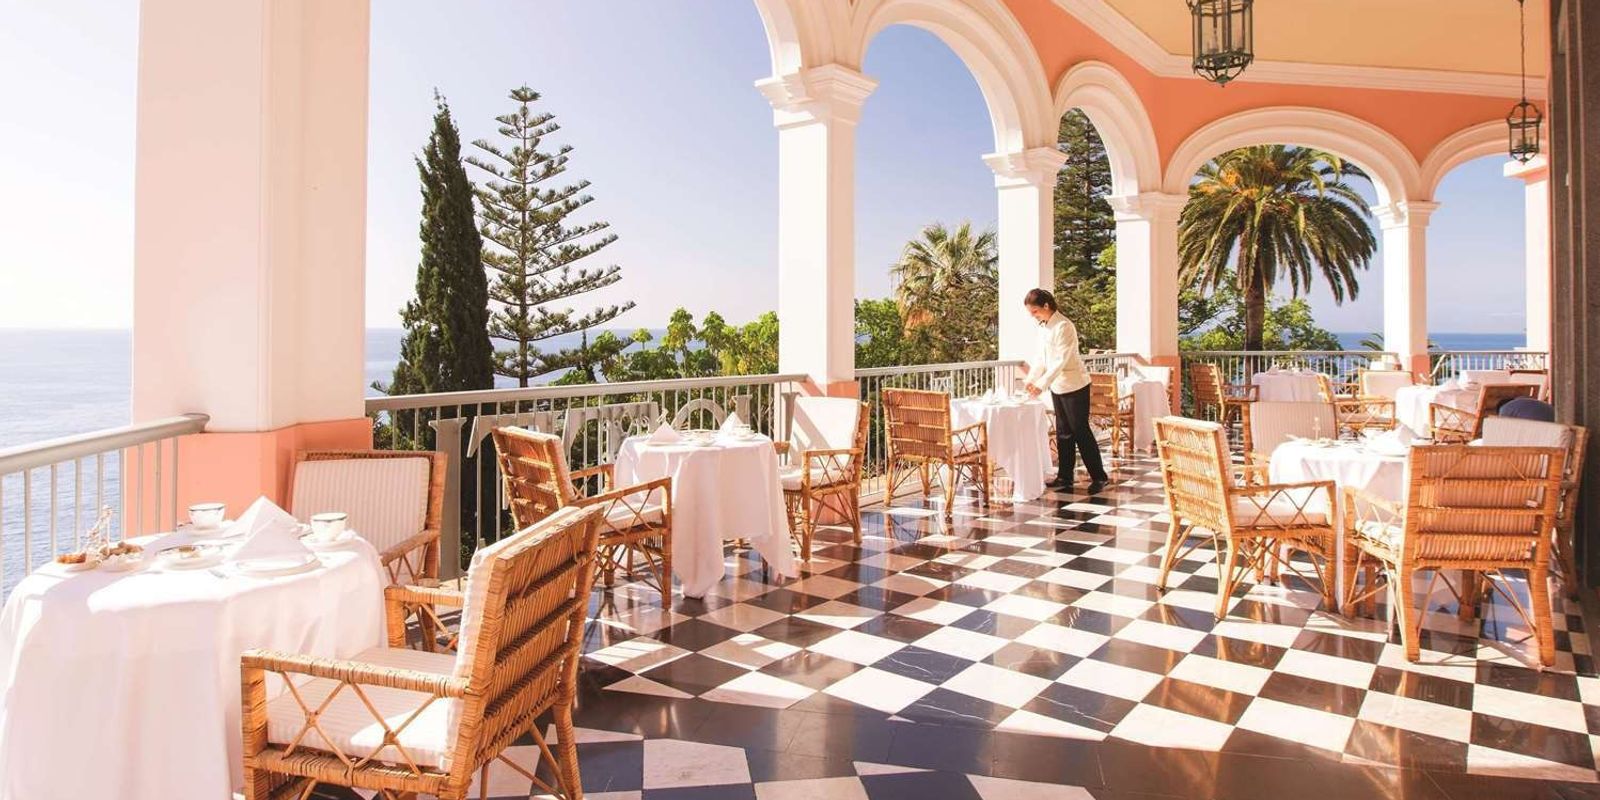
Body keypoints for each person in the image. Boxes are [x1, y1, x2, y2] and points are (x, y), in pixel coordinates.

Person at [1021, 288, 1109, 494]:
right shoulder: (1044, 328)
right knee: (1064, 433)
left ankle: (1099, 477)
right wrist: (1030, 380)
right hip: (1057, 386)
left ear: (1046, 306)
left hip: (1075, 385)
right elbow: (1041, 359)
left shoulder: (1064, 326)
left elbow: (1060, 360)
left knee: (1080, 431)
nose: (1033, 316)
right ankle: (1065, 477)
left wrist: (1041, 384)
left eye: (1035, 311)